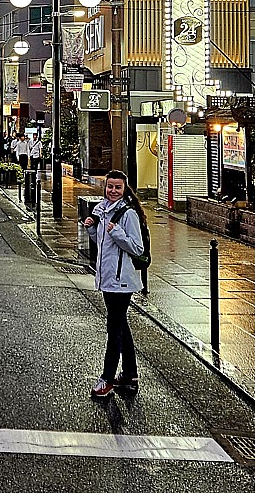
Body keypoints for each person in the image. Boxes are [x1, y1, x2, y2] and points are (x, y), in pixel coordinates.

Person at [83, 169, 146, 399]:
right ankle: (130, 375)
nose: (113, 191)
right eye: (110, 186)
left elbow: (137, 248)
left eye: (118, 187)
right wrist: (92, 228)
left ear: (124, 189)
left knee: (114, 329)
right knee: (120, 326)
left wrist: (117, 232)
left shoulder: (128, 214)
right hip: (107, 278)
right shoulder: (102, 209)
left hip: (121, 282)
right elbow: (102, 242)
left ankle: (107, 379)